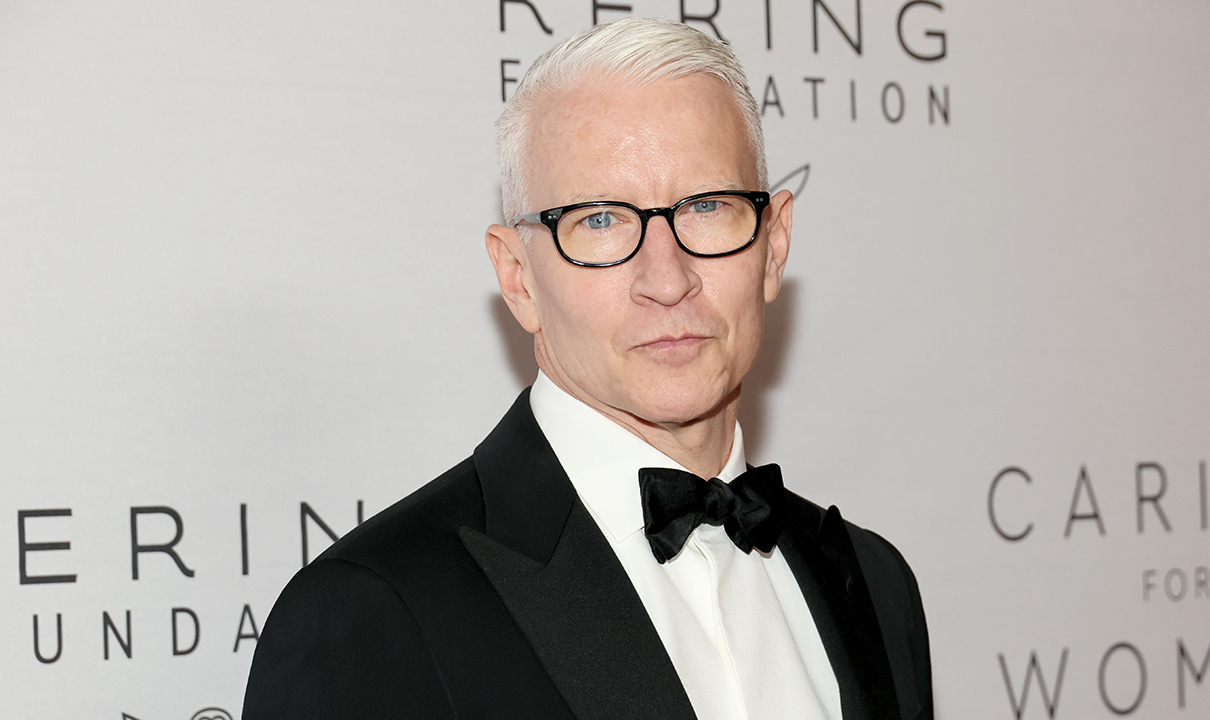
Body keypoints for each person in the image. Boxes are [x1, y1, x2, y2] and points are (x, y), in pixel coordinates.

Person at [243, 17, 931, 720]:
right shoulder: (370, 614)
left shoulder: (874, 587)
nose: (668, 280)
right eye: (600, 220)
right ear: (518, 277)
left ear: (773, 247)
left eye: (707, 207)